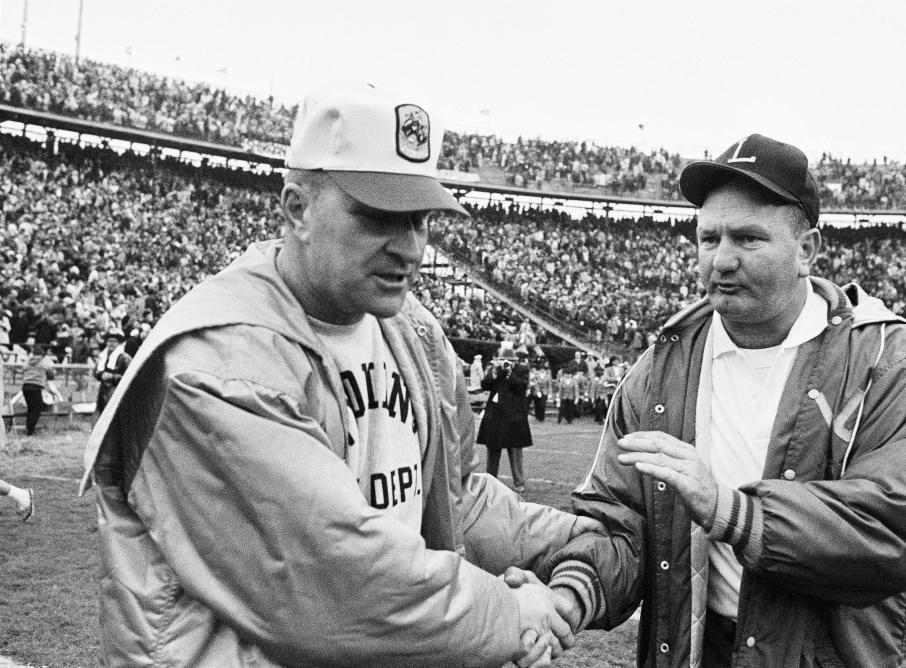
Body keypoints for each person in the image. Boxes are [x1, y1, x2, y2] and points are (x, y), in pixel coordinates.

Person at [79, 82, 598, 668]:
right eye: (380, 216)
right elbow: (331, 576)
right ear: (297, 208)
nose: (411, 249)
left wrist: (575, 539)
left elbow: (453, 499)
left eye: (422, 221)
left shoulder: (414, 333)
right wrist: (511, 614)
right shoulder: (218, 362)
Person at [536, 134, 906, 666]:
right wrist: (570, 595)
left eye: (748, 238)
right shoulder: (660, 368)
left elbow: (893, 532)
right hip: (695, 648)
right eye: (709, 238)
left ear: (807, 249)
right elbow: (621, 522)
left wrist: (732, 511)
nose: (722, 259)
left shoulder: (892, 362)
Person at [477, 353, 533, 493]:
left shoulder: (521, 370)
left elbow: (521, 386)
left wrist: (510, 373)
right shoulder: (495, 369)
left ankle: (519, 482)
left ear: (516, 360)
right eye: (502, 360)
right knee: (493, 449)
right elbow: (485, 385)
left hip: (514, 416)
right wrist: (494, 373)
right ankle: (491, 480)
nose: (506, 362)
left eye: (509, 360)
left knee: (515, 451)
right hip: (495, 416)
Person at [93, 329, 130, 414]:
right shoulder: (103, 357)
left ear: (119, 343)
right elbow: (96, 371)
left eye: (114, 341)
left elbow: (129, 377)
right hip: (103, 392)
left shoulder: (125, 358)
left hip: (117, 392)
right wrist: (100, 374)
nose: (111, 343)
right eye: (109, 341)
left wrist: (112, 377)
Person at [19, 344, 54, 436]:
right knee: (36, 410)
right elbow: (51, 375)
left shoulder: (27, 362)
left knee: (30, 408)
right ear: (42, 355)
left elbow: (23, 369)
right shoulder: (43, 363)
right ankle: (30, 431)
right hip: (36, 387)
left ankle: (28, 429)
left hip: (25, 387)